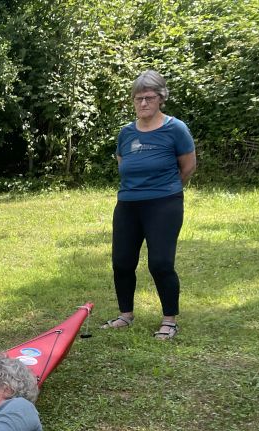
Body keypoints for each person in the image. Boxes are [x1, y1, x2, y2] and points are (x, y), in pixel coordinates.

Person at [101, 70, 196, 340]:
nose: (143, 103)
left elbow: (188, 167)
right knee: (121, 262)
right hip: (128, 204)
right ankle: (125, 315)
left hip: (164, 204)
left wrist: (164, 189)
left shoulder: (175, 129)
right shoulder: (126, 133)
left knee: (161, 263)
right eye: (138, 98)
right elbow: (123, 163)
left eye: (149, 98)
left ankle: (169, 320)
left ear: (161, 98)